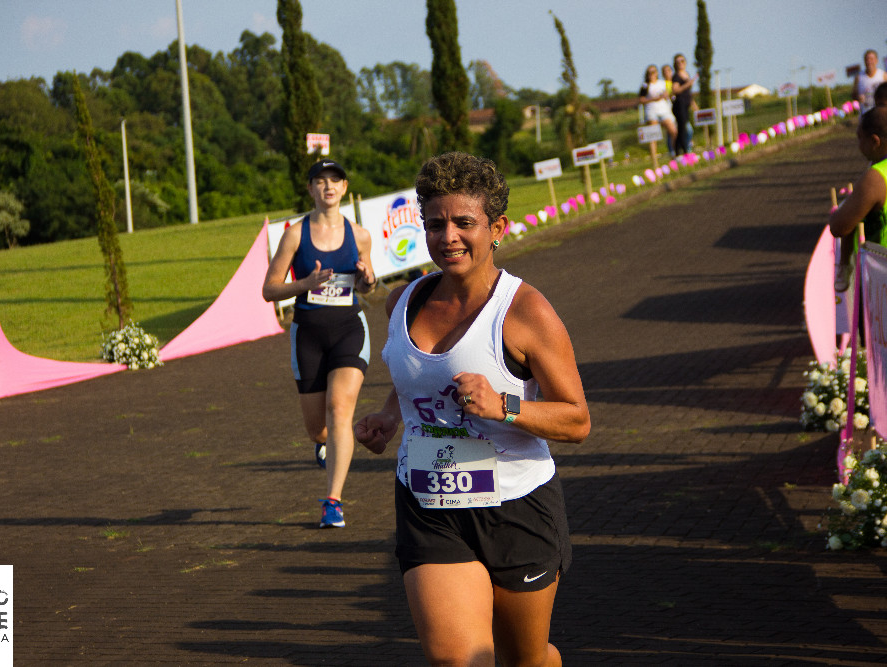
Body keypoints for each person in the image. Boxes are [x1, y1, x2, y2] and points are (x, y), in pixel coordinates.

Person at [355, 152, 590, 666]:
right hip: (429, 503)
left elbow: (576, 419)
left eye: (464, 223)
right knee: (459, 660)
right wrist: (389, 418)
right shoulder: (404, 303)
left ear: (497, 227)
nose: (448, 237)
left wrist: (504, 406)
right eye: (436, 224)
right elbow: (413, 379)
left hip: (516, 507)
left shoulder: (525, 311)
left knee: (522, 658)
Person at [262, 158, 377, 528]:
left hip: (349, 327)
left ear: (344, 188)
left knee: (340, 408)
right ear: (310, 189)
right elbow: (269, 290)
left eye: (335, 181)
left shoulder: (359, 235)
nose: (328, 186)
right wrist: (305, 285)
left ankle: (333, 501)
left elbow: (367, 285)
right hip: (307, 332)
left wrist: (368, 279)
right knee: (318, 428)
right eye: (320, 181)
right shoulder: (296, 234)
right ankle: (323, 443)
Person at [830, 106, 887, 287]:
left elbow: (839, 227)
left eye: (860, 139)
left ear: (875, 141)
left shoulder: (876, 177)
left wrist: (841, 209)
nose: (859, 146)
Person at [640, 65, 678, 155]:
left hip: (664, 111)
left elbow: (670, 94)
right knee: (653, 137)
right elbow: (641, 100)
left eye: (653, 72)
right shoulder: (645, 85)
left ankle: (675, 153)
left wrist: (667, 95)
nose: (651, 74)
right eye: (649, 73)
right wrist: (654, 99)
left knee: (674, 131)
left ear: (657, 73)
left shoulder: (662, 83)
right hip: (651, 112)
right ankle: (655, 161)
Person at [671, 53, 698, 155]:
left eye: (682, 61)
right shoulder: (676, 77)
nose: (680, 63)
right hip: (679, 105)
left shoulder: (686, 74)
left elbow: (688, 93)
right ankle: (682, 151)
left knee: (685, 128)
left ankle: (684, 149)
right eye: (678, 62)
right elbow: (675, 90)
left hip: (686, 103)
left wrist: (693, 103)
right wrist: (688, 84)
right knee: (683, 128)